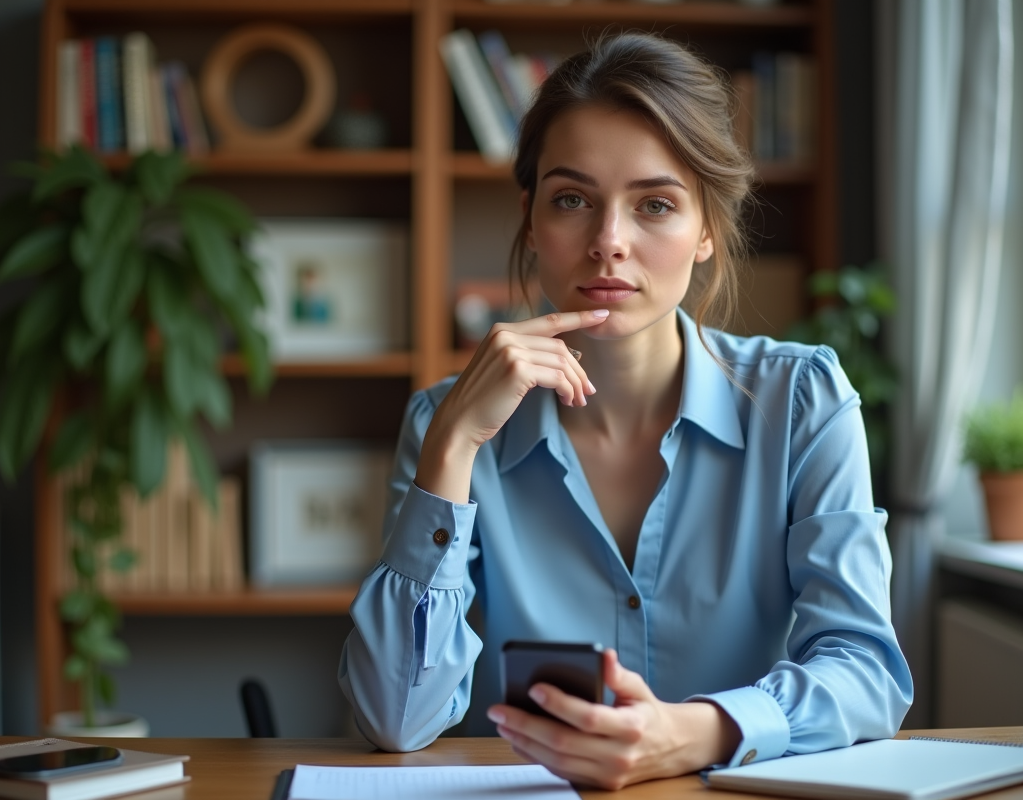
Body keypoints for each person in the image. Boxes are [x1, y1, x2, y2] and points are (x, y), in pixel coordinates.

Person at [338, 32, 912, 790]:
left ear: (707, 228)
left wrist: (694, 732)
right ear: (532, 220)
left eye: (656, 205)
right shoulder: (446, 424)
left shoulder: (802, 402)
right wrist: (452, 454)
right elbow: (393, 720)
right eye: (572, 200)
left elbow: (867, 670)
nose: (609, 242)